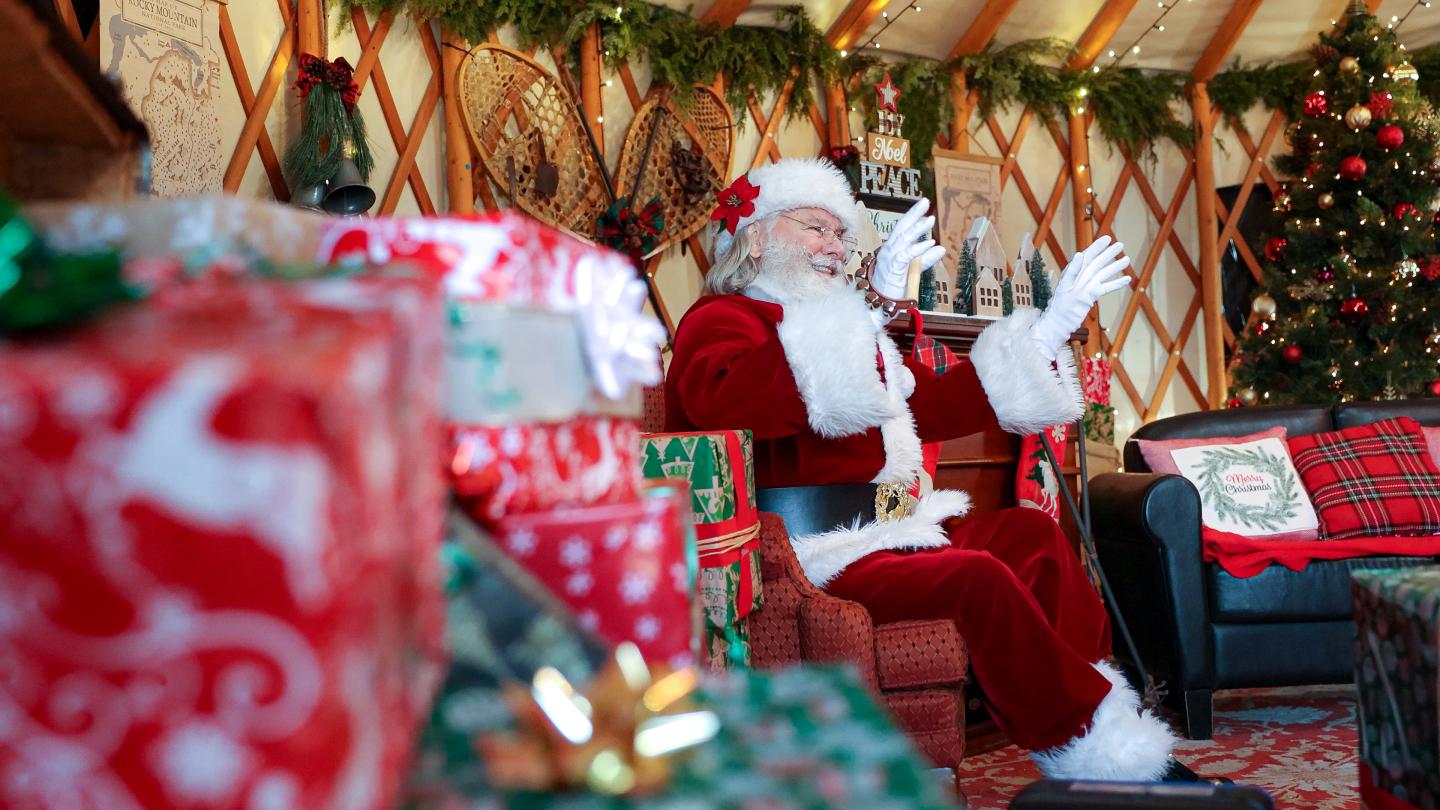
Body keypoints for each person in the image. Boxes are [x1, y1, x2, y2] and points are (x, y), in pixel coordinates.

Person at [665, 157, 1190, 781]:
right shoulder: (721, 321)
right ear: (754, 237)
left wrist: (1047, 333)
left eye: (843, 235)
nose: (836, 248)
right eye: (818, 229)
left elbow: (929, 408)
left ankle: (1104, 733)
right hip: (807, 552)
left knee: (1034, 539)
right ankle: (1103, 752)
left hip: (892, 528)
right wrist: (865, 311)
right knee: (977, 580)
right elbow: (730, 404)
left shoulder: (844, 327)